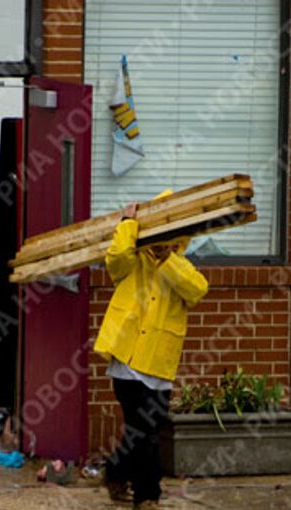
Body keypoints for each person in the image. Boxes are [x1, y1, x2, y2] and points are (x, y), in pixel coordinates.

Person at [94, 198, 209, 509]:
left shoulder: (179, 267)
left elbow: (197, 290)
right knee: (145, 432)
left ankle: (116, 472)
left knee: (143, 431)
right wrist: (128, 224)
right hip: (127, 361)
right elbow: (115, 259)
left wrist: (166, 259)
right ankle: (148, 496)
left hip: (158, 365)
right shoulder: (132, 260)